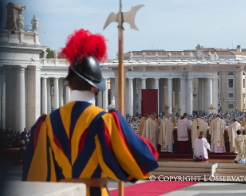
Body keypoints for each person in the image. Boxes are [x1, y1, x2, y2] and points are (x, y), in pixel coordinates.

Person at [22, 29, 158, 196]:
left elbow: (35, 176)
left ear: (69, 85)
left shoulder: (46, 124)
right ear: (96, 87)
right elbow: (143, 162)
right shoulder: (104, 121)